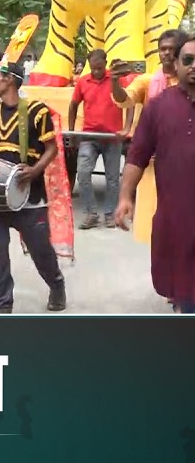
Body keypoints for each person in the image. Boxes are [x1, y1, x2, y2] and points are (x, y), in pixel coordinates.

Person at [0, 61, 70, 313]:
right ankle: (3, 304)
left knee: (40, 250)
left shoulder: (37, 111)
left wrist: (35, 170)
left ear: (9, 80)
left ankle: (56, 284)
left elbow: (51, 148)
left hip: (30, 196)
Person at [116, 31, 195, 314]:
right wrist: (125, 196)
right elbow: (137, 155)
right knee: (185, 294)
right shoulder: (158, 107)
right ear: (177, 64)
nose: (194, 66)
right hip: (176, 219)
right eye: (188, 60)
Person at [68, 48, 133, 229]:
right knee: (83, 173)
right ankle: (91, 213)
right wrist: (72, 132)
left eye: (99, 68)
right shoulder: (83, 82)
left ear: (105, 63)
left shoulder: (116, 79)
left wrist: (127, 128)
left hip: (112, 137)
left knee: (112, 179)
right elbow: (73, 106)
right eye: (93, 68)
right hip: (89, 136)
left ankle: (110, 214)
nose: (96, 72)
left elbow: (130, 103)